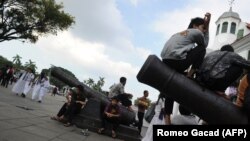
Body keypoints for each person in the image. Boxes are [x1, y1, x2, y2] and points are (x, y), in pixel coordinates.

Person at [161, 13, 211, 125]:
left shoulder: (180, 34)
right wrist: (208, 27)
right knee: (202, 48)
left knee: (171, 87)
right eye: (203, 28)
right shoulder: (196, 32)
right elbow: (205, 44)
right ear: (195, 26)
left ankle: (167, 117)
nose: (203, 31)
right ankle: (190, 74)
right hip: (177, 61)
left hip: (166, 60)